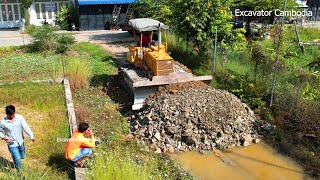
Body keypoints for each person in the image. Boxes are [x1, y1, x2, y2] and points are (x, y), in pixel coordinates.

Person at [0, 105, 35, 170]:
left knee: (22, 156)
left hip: (20, 141)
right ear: (7, 114)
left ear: (14, 112)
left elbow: (25, 127)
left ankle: (18, 160)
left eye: (13, 114)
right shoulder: (3, 122)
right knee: (17, 158)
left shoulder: (20, 117)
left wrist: (31, 135)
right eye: (10, 115)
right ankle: (19, 171)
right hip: (12, 144)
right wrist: (4, 137)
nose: (12, 116)